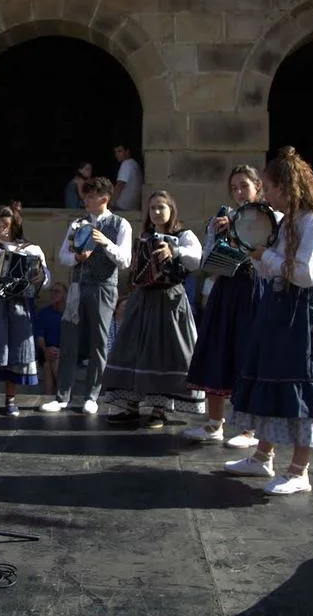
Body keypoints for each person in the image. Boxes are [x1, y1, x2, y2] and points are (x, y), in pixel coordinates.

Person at [225, 146, 313, 495]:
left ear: (286, 187)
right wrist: (253, 251)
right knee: (273, 384)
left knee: (302, 391)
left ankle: (298, 471)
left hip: (307, 320)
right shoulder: (285, 222)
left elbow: (307, 274)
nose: (266, 194)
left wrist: (266, 256)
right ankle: (263, 457)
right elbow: (270, 270)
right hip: (281, 313)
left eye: (270, 188)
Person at [184, 165, 271, 449]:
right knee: (216, 347)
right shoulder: (224, 217)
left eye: (244, 186)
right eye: (234, 187)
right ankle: (214, 423)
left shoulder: (269, 217)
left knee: (246, 353)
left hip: (253, 288)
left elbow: (264, 254)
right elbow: (207, 262)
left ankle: (249, 428)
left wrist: (237, 232)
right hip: (225, 288)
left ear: (257, 187)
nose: (239, 192)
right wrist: (216, 233)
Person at [102, 191, 204, 428]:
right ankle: (131, 406)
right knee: (133, 350)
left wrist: (175, 250)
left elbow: (197, 259)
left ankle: (160, 409)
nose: (157, 212)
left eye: (161, 207)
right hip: (143, 299)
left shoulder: (183, 235)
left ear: (171, 209)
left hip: (169, 300)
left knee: (165, 353)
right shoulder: (145, 236)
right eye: (153, 208)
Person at [40, 176, 132, 415]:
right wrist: (76, 258)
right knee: (69, 340)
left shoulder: (120, 224)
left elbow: (125, 260)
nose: (86, 201)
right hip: (78, 286)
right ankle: (62, 397)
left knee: (99, 342)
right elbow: (63, 255)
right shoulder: (77, 224)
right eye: (86, 197)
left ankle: (92, 396)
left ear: (104, 199)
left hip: (104, 287)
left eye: (91, 197)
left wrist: (106, 243)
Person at [0, 202, 50, 418]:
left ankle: (11, 401)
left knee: (15, 351)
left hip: (18, 308)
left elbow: (45, 278)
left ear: (7, 226)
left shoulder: (32, 250)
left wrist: (39, 277)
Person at [33, 282, 66, 397]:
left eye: (57, 292)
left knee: (49, 364)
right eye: (51, 291)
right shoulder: (44, 313)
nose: (53, 294)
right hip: (46, 351)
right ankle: (61, 397)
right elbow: (39, 336)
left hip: (64, 352)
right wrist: (45, 349)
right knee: (50, 361)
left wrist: (61, 351)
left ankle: (52, 398)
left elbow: (72, 339)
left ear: (65, 295)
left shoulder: (69, 314)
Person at [110, 143, 144, 211]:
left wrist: (110, 204)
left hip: (123, 207)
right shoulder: (134, 164)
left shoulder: (127, 164)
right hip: (133, 207)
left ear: (127, 151)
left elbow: (120, 185)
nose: (117, 155)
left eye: (119, 151)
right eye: (115, 152)